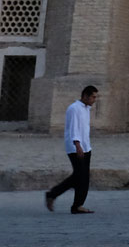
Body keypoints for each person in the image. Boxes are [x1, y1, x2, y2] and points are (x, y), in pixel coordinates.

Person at [44, 85, 98, 214]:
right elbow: (73, 128)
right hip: (76, 147)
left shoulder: (86, 109)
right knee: (79, 175)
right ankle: (53, 194)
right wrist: (77, 145)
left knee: (83, 177)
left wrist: (85, 146)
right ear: (85, 96)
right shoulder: (74, 108)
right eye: (93, 97)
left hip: (85, 147)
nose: (94, 100)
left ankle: (77, 205)